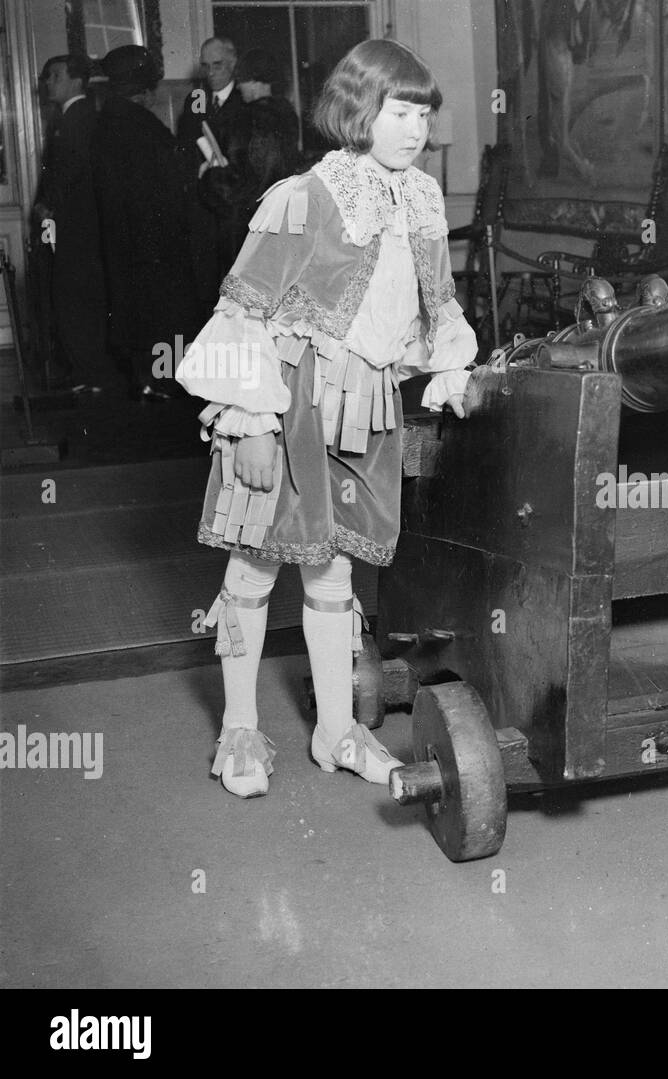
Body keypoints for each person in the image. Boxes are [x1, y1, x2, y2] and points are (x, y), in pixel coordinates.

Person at [176, 40, 478, 798]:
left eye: (423, 114)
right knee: (254, 563)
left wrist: (452, 364)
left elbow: (438, 304)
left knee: (334, 567)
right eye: (399, 112)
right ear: (358, 111)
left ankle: (337, 728)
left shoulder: (424, 198)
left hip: (368, 404)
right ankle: (240, 726)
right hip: (292, 400)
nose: (415, 129)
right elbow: (241, 307)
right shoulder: (303, 196)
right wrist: (250, 422)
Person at [92, 45, 201, 401]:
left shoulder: (110, 122)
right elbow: (162, 189)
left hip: (129, 243)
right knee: (165, 318)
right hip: (156, 244)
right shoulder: (139, 127)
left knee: (139, 317)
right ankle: (164, 383)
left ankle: (150, 381)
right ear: (144, 89)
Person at [32, 53, 109, 393]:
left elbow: (71, 170)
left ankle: (89, 373)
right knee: (71, 298)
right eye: (48, 76)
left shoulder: (78, 118)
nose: (49, 82)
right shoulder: (67, 118)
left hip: (77, 228)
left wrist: (48, 205)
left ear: (77, 80)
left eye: (56, 75)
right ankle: (83, 371)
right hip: (71, 227)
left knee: (75, 299)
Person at [198, 48, 300, 259]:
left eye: (242, 80)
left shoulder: (247, 119)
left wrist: (210, 175)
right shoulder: (287, 113)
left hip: (247, 225)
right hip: (280, 219)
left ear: (254, 80)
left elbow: (234, 187)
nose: (239, 87)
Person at [177, 37, 246, 304]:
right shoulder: (197, 98)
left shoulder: (245, 99)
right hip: (203, 203)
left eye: (217, 65)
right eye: (205, 66)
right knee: (205, 282)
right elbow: (184, 145)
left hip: (233, 205)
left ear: (233, 64)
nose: (211, 72)